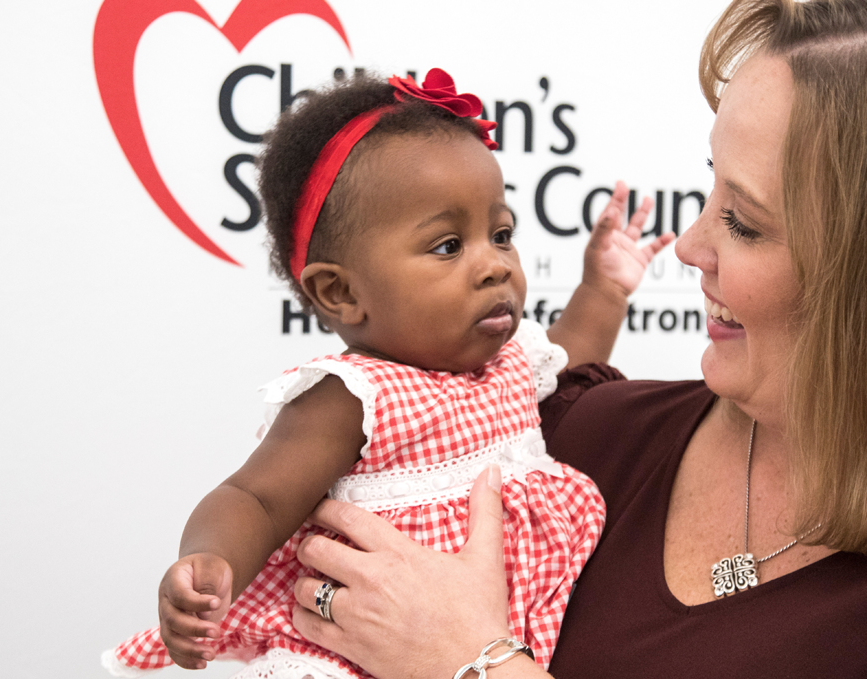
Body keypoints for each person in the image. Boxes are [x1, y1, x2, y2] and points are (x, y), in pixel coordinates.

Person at [280, 1, 867, 677]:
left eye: (744, 222)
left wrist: (474, 660)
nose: (693, 246)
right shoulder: (567, 439)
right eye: (711, 191)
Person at [102, 69, 673, 679]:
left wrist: (605, 289)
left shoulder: (509, 366)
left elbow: (573, 356)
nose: (493, 266)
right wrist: (209, 559)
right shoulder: (353, 396)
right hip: (360, 656)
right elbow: (257, 497)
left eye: (501, 234)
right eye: (448, 246)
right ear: (340, 292)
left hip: (497, 648)